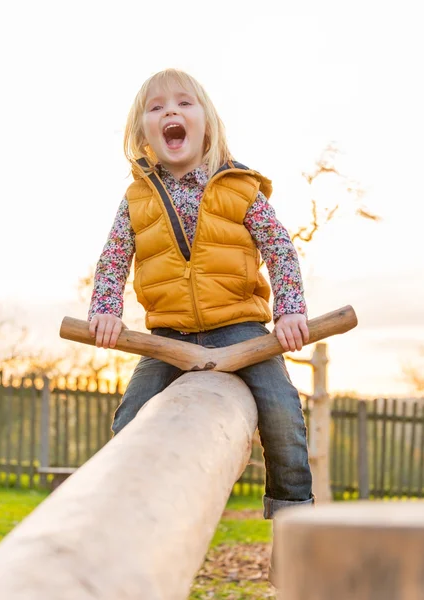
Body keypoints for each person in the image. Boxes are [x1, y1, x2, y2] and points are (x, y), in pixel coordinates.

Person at [88, 68, 314, 579]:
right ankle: (129, 525)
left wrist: (291, 309)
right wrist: (104, 309)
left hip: (240, 329)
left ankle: (294, 526)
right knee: (131, 419)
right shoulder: (136, 199)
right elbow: (114, 258)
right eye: (156, 107)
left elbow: (280, 248)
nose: (171, 112)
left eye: (184, 104)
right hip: (167, 337)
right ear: (142, 132)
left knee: (282, 413)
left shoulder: (240, 187)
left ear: (206, 124)